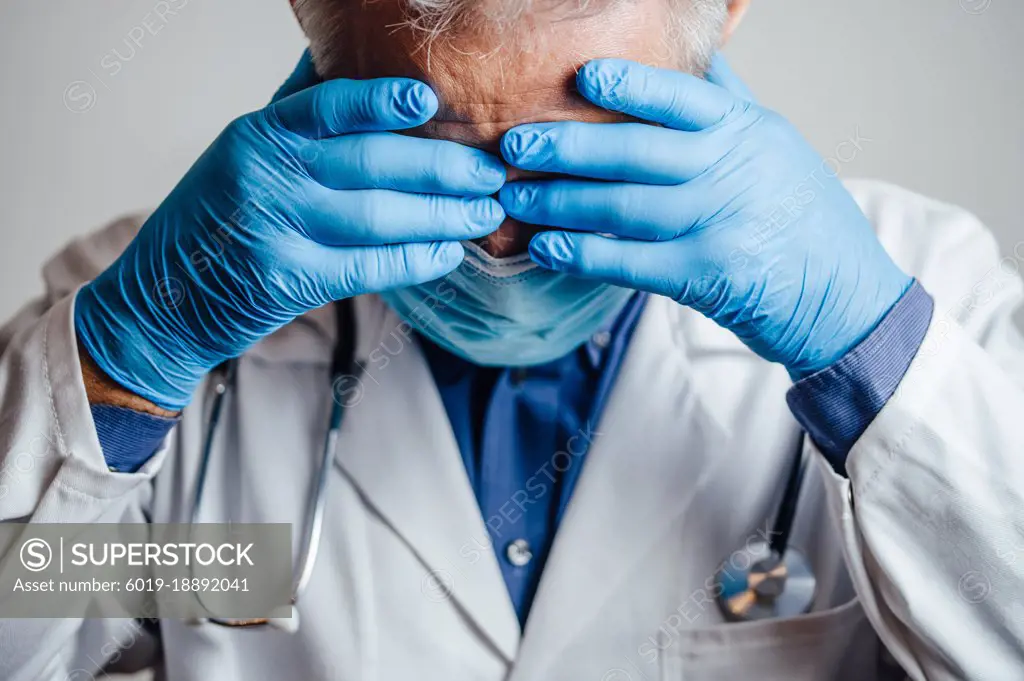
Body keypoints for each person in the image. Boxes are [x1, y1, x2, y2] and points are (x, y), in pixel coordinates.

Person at [1, 0, 1022, 678]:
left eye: (576, 152)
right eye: (436, 155)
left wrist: (867, 355)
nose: (497, 237)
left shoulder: (923, 292)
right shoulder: (153, 313)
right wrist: (125, 359)